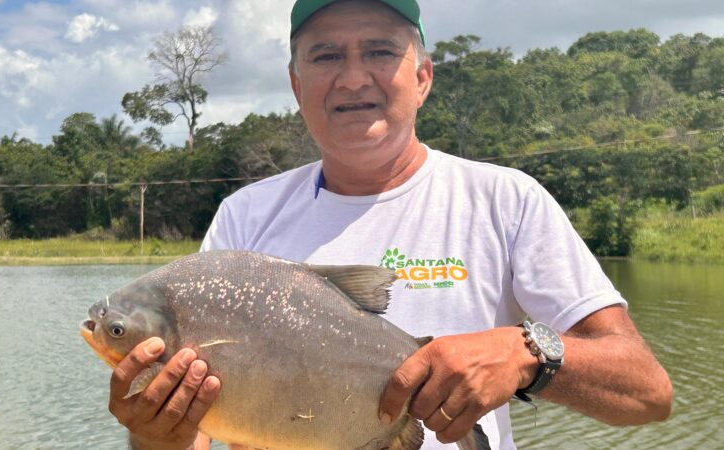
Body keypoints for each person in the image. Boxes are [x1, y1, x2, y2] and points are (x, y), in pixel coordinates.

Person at [107, 1, 673, 449]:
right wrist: (155, 437)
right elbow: (194, 434)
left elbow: (647, 391)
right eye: (326, 56)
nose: (353, 79)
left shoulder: (505, 199)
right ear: (296, 84)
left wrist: (529, 354)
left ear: (423, 76)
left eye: (379, 51)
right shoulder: (245, 217)